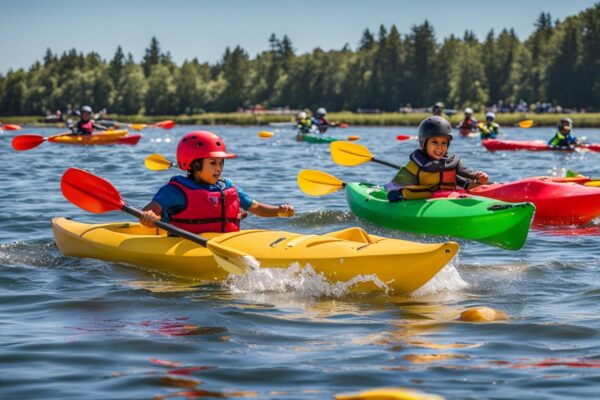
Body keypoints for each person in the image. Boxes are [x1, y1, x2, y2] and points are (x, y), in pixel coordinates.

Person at [139, 131, 294, 234]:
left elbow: (257, 207)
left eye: (221, 163)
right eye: (213, 163)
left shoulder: (228, 188)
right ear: (195, 165)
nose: (219, 168)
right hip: (184, 245)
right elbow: (147, 213)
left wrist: (279, 211)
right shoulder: (175, 191)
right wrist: (150, 218)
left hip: (225, 243)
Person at [385, 116, 489, 201]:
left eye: (444, 143)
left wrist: (480, 178)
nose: (440, 147)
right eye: (434, 142)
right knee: (408, 192)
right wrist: (394, 194)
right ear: (424, 143)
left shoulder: (452, 163)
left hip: (452, 198)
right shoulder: (415, 165)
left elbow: (468, 175)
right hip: (425, 202)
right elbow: (393, 186)